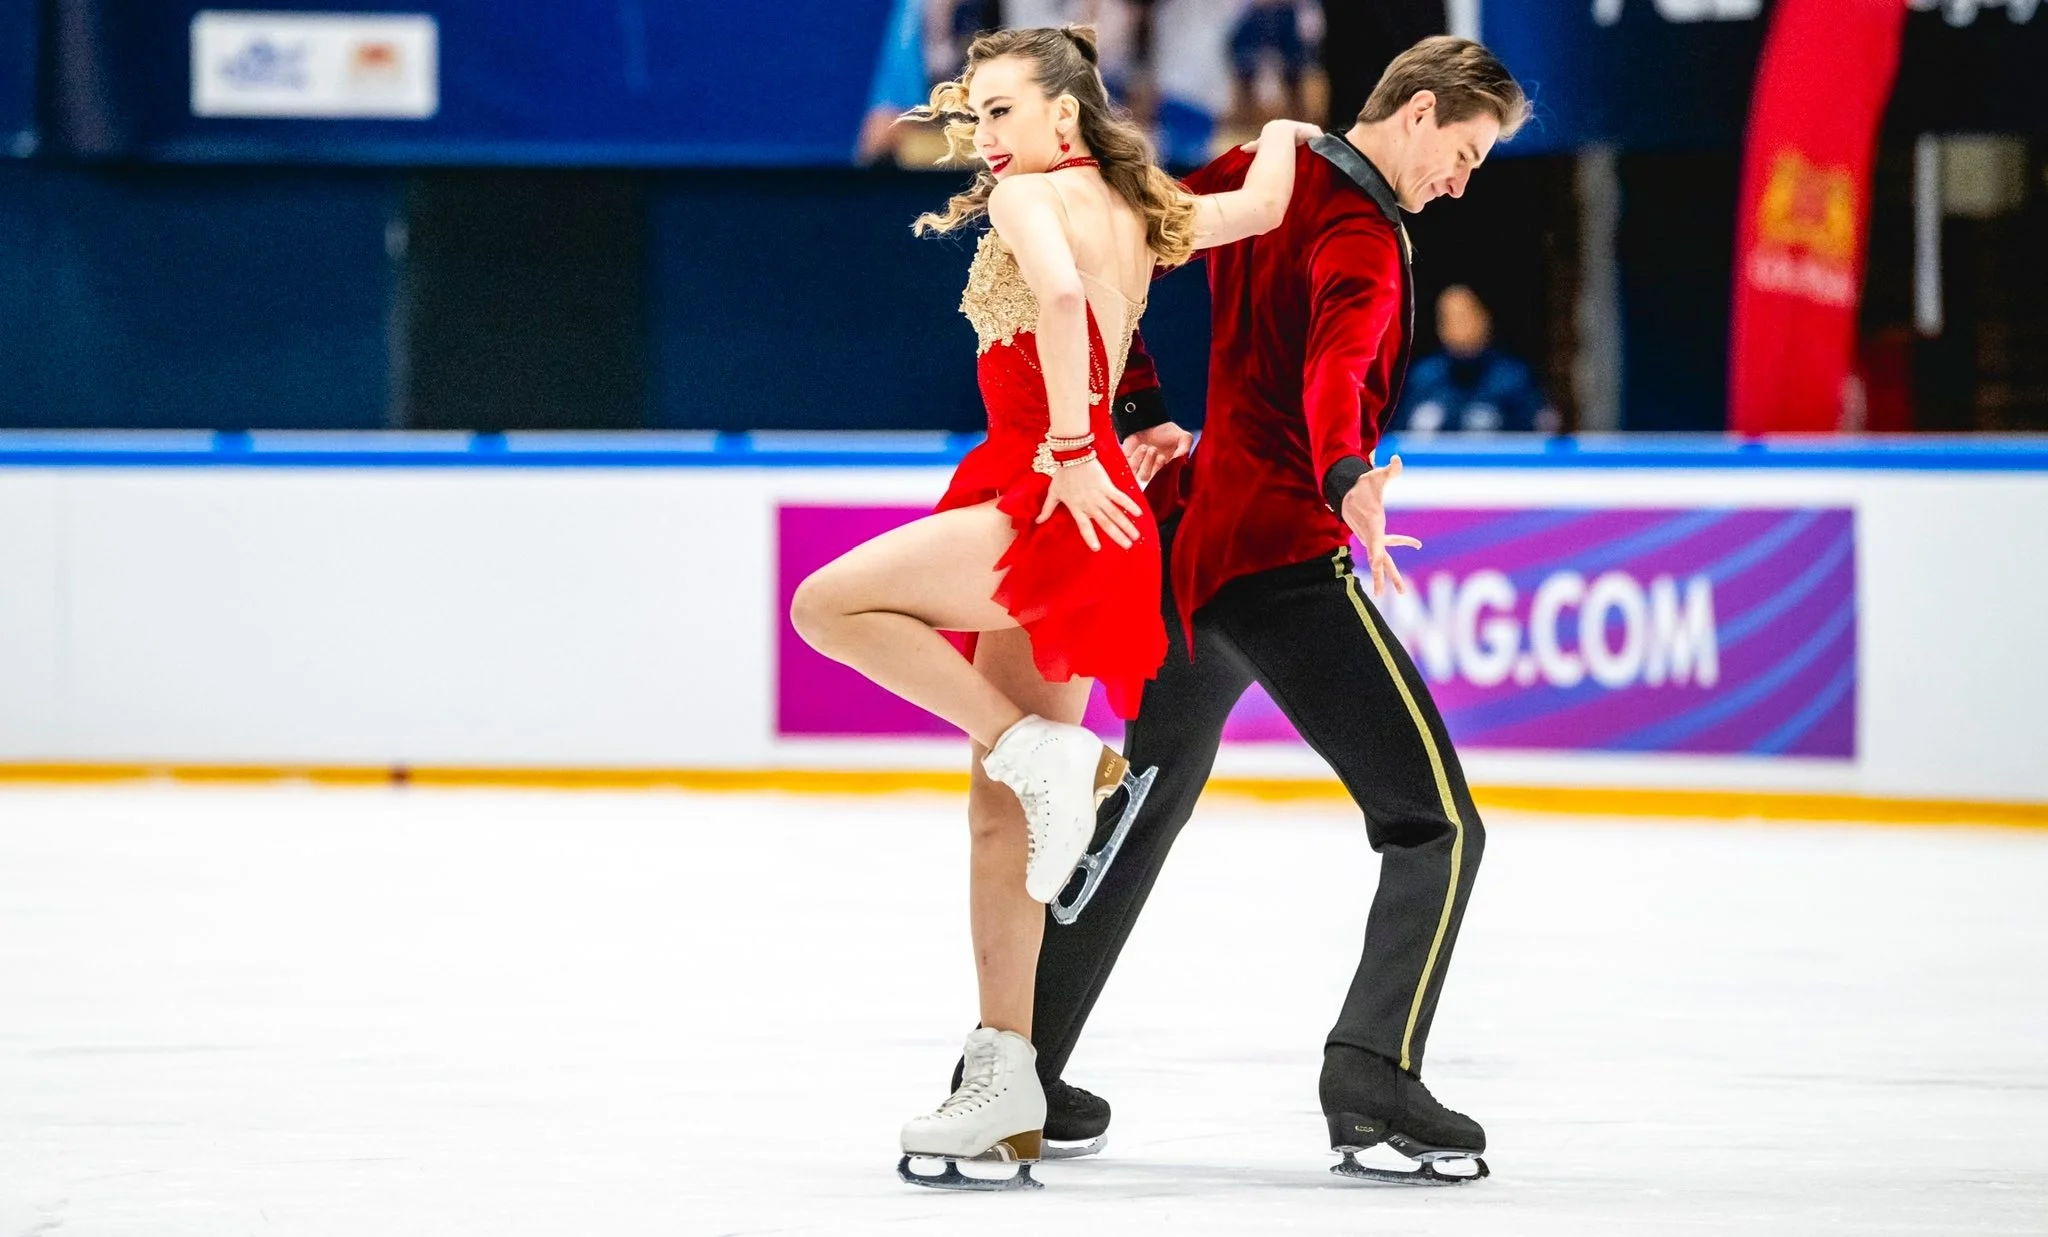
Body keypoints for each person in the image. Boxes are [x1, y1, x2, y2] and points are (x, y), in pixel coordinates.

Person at [788, 24, 1319, 1190]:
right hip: (1080, 503)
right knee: (1001, 821)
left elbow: (1068, 296)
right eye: (975, 114)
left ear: (1062, 116)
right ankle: (1005, 1079)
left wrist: (1076, 445)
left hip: (1046, 492)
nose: (985, 135)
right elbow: (1260, 209)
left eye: (1002, 112)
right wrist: (1284, 131)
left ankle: (1052, 758)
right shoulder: (1144, 206)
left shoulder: (1035, 195)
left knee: (827, 605)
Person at [1011, 35, 1530, 1183]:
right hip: (1285, 560)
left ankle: (1016, 1065)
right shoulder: (1360, 235)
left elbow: (1115, 243)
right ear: (1418, 110)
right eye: (1463, 153)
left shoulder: (1263, 168)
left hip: (1195, 555)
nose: (1460, 182)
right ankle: (1371, 1075)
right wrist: (1347, 479)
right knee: (1436, 826)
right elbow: (1333, 372)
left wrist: (1133, 400)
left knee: (1137, 812)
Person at [1394, 284, 1558, 436]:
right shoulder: (1423, 378)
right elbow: (1395, 439)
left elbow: (1536, 441)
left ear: (1484, 320)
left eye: (1463, 317)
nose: (1457, 327)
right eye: (1447, 319)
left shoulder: (1514, 379)